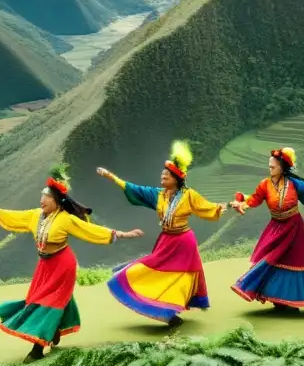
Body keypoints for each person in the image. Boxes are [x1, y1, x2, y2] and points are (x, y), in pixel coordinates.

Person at [0, 163, 143, 362]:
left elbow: (90, 231)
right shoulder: (35, 216)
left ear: (57, 201)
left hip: (62, 266)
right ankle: (54, 329)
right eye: (42, 197)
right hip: (44, 266)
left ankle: (37, 350)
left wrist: (123, 234)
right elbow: (14, 216)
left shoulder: (65, 219)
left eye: (47, 197)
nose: (42, 201)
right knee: (36, 300)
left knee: (49, 302)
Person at [96, 140, 227, 326]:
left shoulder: (189, 196)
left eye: (167, 174)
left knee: (183, 275)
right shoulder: (158, 195)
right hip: (166, 240)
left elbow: (208, 208)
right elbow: (134, 188)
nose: (163, 176)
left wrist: (226, 206)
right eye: (163, 173)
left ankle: (171, 310)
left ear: (177, 178)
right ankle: (159, 305)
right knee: (153, 269)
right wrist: (110, 176)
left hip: (184, 242)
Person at [229, 147, 304, 309]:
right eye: (269, 166)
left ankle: (291, 299)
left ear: (282, 167)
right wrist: (241, 204)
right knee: (272, 259)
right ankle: (273, 295)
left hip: (294, 227)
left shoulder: (294, 184)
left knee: (294, 261)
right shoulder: (264, 185)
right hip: (276, 227)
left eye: (273, 166)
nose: (270, 169)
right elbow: (254, 199)